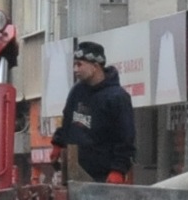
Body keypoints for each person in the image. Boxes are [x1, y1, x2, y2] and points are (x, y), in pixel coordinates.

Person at [54, 40, 137, 182]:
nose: (75, 70)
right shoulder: (77, 91)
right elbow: (67, 121)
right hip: (73, 174)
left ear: (95, 66)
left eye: (79, 65)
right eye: (74, 65)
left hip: (103, 177)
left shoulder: (117, 97)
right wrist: (58, 143)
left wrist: (118, 169)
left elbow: (126, 138)